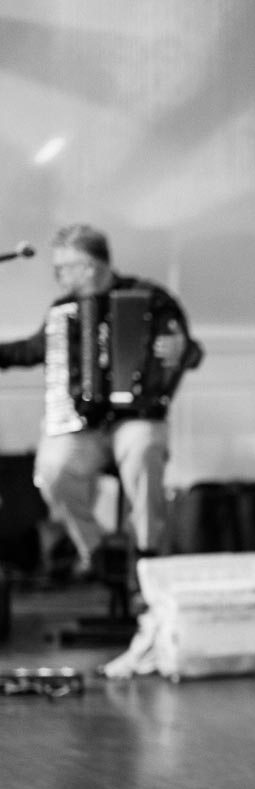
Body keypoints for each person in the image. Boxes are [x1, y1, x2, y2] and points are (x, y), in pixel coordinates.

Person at [0, 223, 203, 577]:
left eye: (63, 268)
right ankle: (94, 550)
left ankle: (146, 554)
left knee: (143, 450)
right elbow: (32, 350)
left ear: (90, 267)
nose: (58, 276)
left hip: (136, 418)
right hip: (83, 426)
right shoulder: (62, 312)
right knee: (52, 470)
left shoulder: (152, 300)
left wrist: (183, 349)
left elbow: (189, 348)